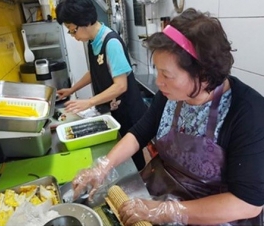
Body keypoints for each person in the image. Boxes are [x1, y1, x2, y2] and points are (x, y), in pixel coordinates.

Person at [70, 8, 264, 226]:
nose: (159, 82)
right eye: (158, 71)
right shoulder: (171, 95)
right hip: (162, 191)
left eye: (167, 75)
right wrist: (103, 166)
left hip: (213, 215)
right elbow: (140, 132)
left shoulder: (248, 112)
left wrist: (168, 211)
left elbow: (248, 203)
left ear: (203, 73)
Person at [55, 0, 147, 171]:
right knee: (118, 153)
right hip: (112, 111)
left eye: (73, 30)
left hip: (128, 111)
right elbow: (94, 72)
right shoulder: (92, 41)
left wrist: (89, 102)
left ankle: (141, 183)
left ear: (86, 21)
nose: (73, 36)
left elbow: (121, 86)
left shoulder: (111, 43)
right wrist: (71, 89)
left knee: (133, 156)